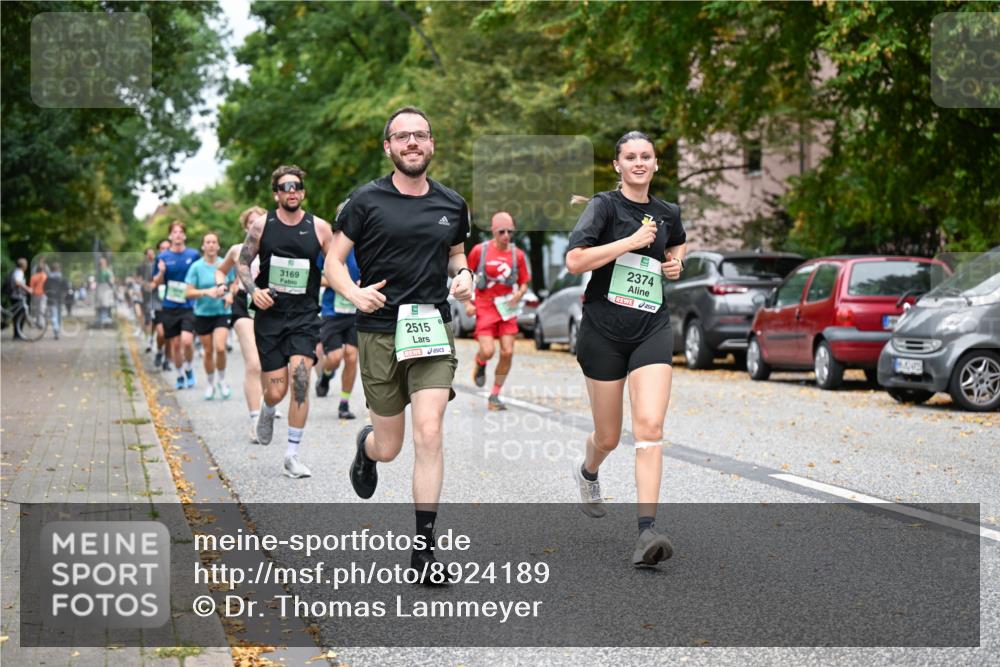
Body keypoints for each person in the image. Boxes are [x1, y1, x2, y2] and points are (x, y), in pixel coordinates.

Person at [325, 106, 473, 577]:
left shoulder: (452, 204)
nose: (413, 143)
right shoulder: (364, 202)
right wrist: (353, 292)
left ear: (431, 145)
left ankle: (424, 552)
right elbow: (332, 262)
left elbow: (456, 255)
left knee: (429, 431)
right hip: (379, 332)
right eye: (402, 136)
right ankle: (367, 448)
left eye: (421, 135)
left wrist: (465, 274)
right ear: (388, 147)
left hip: (431, 328)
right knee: (390, 446)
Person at [564, 130, 687, 567]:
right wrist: (630, 242)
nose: (638, 162)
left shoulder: (667, 211)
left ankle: (646, 531)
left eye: (646, 156)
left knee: (650, 427)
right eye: (630, 157)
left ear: (655, 164)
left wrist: (674, 265)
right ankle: (589, 469)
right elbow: (575, 261)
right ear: (618, 165)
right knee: (609, 435)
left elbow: (676, 245)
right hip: (603, 330)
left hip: (651, 326)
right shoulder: (604, 206)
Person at [237, 166, 335, 479]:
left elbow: (334, 267)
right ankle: (267, 408)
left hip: (305, 316)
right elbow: (242, 264)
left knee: (302, 379)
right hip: (270, 317)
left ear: (303, 192)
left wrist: (352, 290)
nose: (291, 191)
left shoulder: (320, 228)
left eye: (296, 186)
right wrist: (255, 291)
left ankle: (292, 455)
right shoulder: (261, 225)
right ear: (276, 193)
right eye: (284, 187)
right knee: (277, 391)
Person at [465, 211, 530, 411]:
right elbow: (465, 276)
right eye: (502, 231)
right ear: (493, 231)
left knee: (508, 352)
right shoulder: (479, 251)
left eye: (510, 232)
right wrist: (468, 302)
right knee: (487, 350)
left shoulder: (516, 254)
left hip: (507, 307)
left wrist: (519, 294)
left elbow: (524, 282)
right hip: (485, 305)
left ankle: (495, 395)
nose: (506, 236)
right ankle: (480, 363)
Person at [218, 206, 268, 442]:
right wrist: (222, 285)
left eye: (259, 220)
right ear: (245, 227)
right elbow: (221, 271)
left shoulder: (276, 248)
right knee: (254, 364)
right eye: (251, 222)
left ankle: (268, 401)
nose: (255, 225)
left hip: (269, 308)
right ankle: (255, 420)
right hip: (243, 306)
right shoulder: (238, 250)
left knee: (271, 364)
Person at [186, 232, 234, 401]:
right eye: (208, 242)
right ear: (203, 246)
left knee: (220, 348)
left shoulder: (225, 264)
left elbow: (235, 284)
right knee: (208, 351)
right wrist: (206, 291)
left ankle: (222, 381)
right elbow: (188, 292)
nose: (211, 245)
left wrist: (230, 295)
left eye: (214, 242)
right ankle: (210, 384)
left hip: (222, 312)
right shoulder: (196, 267)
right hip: (203, 314)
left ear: (219, 246)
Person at [152, 222, 200, 390]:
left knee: (187, 341)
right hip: (169, 305)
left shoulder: (193, 254)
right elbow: (155, 282)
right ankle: (179, 374)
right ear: (170, 236)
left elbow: (199, 274)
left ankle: (188, 368)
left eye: (181, 232)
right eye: (174, 232)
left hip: (188, 304)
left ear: (184, 236)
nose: (178, 235)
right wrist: (161, 272)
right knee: (175, 343)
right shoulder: (162, 257)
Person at [314, 246, 360, 419]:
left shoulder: (364, 247)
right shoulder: (329, 248)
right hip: (332, 312)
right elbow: (313, 276)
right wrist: (339, 282)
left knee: (351, 356)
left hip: (356, 311)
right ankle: (325, 377)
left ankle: (344, 403)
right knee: (334, 358)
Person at [151, 239, 170, 369]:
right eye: (162, 248)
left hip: (172, 302)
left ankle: (167, 360)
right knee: (161, 333)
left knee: (170, 334)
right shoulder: (156, 264)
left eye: (167, 248)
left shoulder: (176, 263)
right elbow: (151, 283)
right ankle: (159, 351)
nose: (165, 251)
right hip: (158, 302)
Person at [45, 262, 66, 339]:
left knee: (54, 315)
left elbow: (45, 288)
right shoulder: (62, 277)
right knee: (59, 315)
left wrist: (48, 295)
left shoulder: (48, 278)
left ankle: (56, 330)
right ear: (58, 269)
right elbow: (66, 287)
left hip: (51, 299)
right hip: (60, 299)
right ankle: (58, 330)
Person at [95, 256, 115, 327]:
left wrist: (111, 281)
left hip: (106, 288)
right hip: (100, 288)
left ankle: (105, 318)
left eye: (102, 263)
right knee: (100, 304)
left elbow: (112, 280)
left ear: (105, 263)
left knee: (105, 304)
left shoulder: (108, 271)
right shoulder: (99, 271)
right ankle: (101, 319)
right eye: (100, 263)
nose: (101, 264)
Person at [29, 257, 48, 327]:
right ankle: (40, 323)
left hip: (35, 294)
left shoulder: (33, 277)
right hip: (43, 294)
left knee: (37, 309)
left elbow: (31, 286)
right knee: (41, 309)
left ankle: (38, 322)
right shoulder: (44, 275)